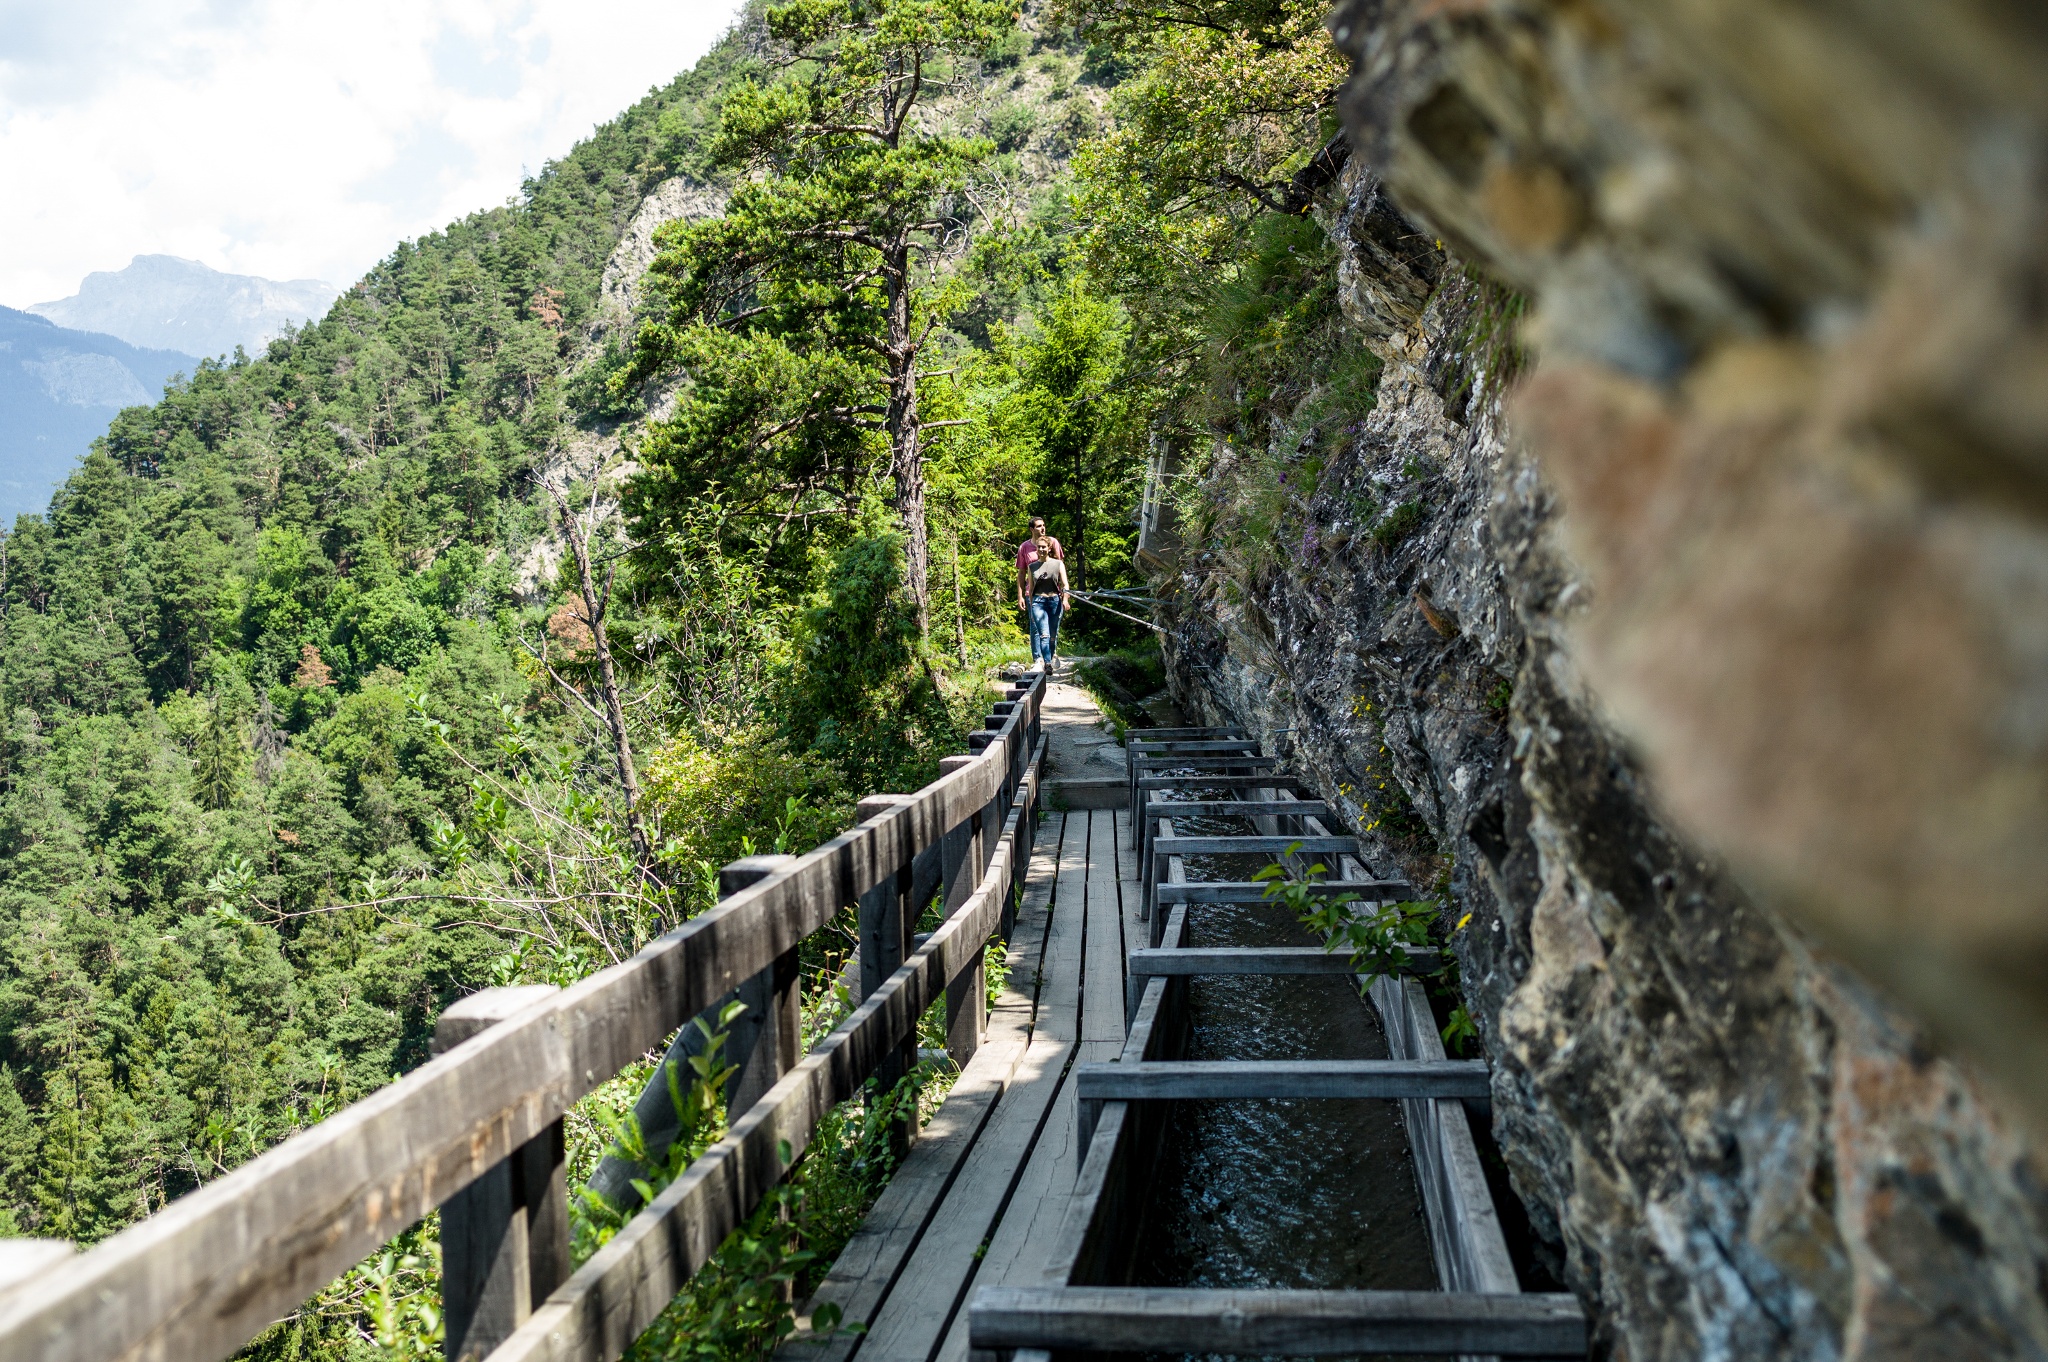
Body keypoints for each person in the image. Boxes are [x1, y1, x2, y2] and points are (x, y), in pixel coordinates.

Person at [1015, 518, 1070, 671]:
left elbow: (1058, 566)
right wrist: (1020, 595)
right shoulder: (1024, 547)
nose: (1043, 528)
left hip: (1053, 594)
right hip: (1033, 592)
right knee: (1036, 627)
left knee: (1052, 630)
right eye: (1039, 526)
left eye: (1044, 525)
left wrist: (1064, 594)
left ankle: (1050, 656)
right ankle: (1038, 659)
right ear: (1032, 529)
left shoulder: (1053, 542)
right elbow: (1021, 573)